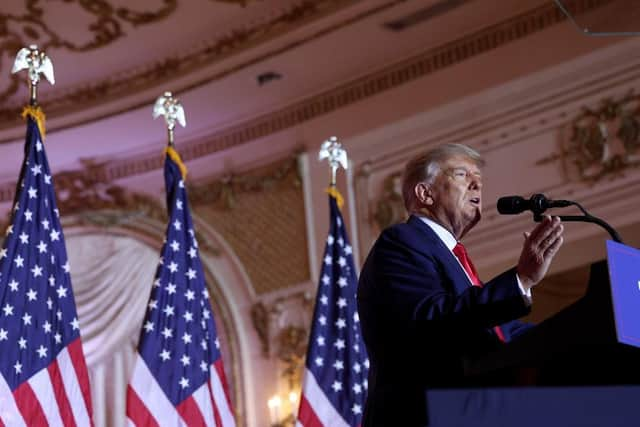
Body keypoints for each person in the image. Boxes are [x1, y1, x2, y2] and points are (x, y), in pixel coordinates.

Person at [357, 143, 564, 427]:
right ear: (424, 193)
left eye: (478, 179)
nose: (477, 184)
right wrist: (520, 279)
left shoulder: (451, 256)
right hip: (421, 415)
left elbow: (499, 334)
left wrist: (571, 335)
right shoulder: (402, 242)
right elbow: (432, 319)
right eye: (462, 174)